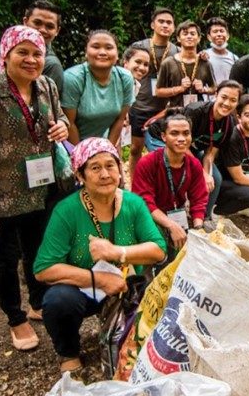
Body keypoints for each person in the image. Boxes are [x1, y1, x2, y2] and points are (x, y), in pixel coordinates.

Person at [0, 25, 70, 351]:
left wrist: (61, 126)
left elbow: (59, 117)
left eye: (37, 53)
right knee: (5, 260)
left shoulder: (46, 85)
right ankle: (16, 319)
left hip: (41, 189)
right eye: (23, 52)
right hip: (1, 196)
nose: (31, 59)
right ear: (5, 54)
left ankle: (38, 302)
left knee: (38, 251)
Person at [35, 138, 166, 373]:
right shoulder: (67, 211)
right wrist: (100, 280)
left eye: (110, 165)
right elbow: (44, 268)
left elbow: (158, 250)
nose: (105, 174)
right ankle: (68, 352)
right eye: (95, 168)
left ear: (119, 170)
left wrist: (118, 252)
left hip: (126, 287)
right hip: (83, 290)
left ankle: (127, 332)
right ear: (81, 175)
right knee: (58, 301)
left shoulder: (133, 204)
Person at [144, 80, 243, 219]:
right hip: (162, 139)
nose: (227, 103)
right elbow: (180, 143)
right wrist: (201, 172)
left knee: (215, 178)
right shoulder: (196, 111)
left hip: (191, 147)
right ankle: (163, 216)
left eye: (233, 100)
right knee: (170, 172)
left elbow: (210, 153)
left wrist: (207, 174)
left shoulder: (229, 124)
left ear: (237, 103)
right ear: (216, 95)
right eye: (224, 97)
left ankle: (203, 218)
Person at [132, 114, 208, 262]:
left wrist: (198, 229)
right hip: (149, 216)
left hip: (175, 214)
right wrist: (171, 225)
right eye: (174, 133)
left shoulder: (194, 165)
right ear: (163, 137)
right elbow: (145, 202)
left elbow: (199, 199)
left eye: (186, 133)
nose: (181, 138)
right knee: (162, 251)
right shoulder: (147, 162)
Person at [128, 8, 178, 182]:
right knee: (135, 149)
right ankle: (135, 185)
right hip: (139, 105)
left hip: (164, 109)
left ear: (173, 27)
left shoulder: (176, 51)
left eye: (169, 22)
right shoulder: (139, 47)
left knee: (161, 151)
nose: (165, 25)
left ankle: (157, 186)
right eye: (161, 21)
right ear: (152, 25)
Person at [61, 30, 136, 145]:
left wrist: (108, 149)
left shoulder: (125, 78)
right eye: (95, 47)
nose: (102, 52)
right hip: (69, 144)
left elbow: (120, 119)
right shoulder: (73, 78)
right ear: (86, 52)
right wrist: (81, 156)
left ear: (117, 54)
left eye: (109, 48)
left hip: (101, 142)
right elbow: (69, 123)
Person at [0, 0, 64, 93]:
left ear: (57, 31)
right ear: (25, 21)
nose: (42, 30)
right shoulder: (4, 48)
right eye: (37, 23)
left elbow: (45, 102)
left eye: (49, 26)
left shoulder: (52, 65)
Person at [156, 20, 215, 107]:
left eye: (192, 34)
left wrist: (204, 89)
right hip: (175, 113)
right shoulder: (168, 63)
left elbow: (214, 88)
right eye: (185, 33)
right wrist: (180, 89)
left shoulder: (205, 63)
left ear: (198, 38)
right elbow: (158, 92)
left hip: (199, 112)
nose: (189, 36)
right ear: (178, 38)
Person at [204, 17, 238, 83]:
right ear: (209, 37)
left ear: (227, 36)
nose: (219, 34)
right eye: (215, 31)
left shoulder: (234, 59)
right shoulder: (203, 56)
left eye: (222, 31)